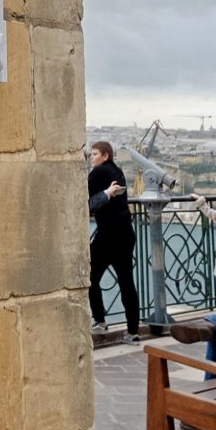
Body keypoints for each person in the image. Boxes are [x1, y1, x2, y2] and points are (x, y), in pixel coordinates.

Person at [87, 141, 140, 343]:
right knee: (127, 283)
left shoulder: (98, 173)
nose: (91, 158)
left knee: (90, 277)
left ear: (105, 156)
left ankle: (100, 320)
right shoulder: (118, 172)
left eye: (94, 154)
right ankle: (133, 331)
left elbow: (86, 203)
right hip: (126, 233)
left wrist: (104, 195)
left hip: (108, 236)